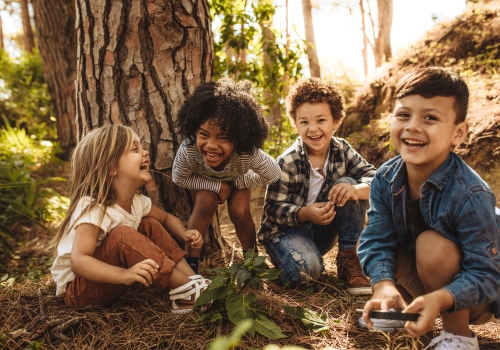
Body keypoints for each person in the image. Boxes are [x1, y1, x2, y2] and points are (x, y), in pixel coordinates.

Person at [358, 67, 500, 349]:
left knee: (432, 245)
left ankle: (458, 336)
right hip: (425, 281)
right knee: (386, 246)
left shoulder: (471, 193)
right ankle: (400, 310)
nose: (412, 126)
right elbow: (376, 239)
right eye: (403, 115)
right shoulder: (385, 178)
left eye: (430, 118)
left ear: (458, 133)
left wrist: (441, 298)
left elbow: (486, 273)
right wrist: (383, 285)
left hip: (474, 295)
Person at [50, 125, 210, 314]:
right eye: (135, 149)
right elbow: (79, 261)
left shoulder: (137, 202)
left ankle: (192, 281)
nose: (145, 153)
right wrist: (124, 275)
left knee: (149, 225)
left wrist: (183, 233)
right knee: (123, 235)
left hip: (108, 281)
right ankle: (188, 292)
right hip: (79, 292)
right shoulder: (94, 208)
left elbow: (166, 218)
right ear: (110, 167)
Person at [258, 77, 377, 294]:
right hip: (285, 235)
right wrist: (304, 213)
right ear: (295, 124)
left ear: (337, 121)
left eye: (321, 120)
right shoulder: (288, 162)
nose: (313, 129)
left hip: (322, 232)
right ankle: (293, 264)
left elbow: (376, 178)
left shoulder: (342, 150)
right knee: (308, 272)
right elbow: (272, 209)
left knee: (348, 184)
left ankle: (348, 259)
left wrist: (357, 190)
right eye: (304, 122)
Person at [173, 78, 280, 273]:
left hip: (237, 180)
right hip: (205, 183)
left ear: (238, 138)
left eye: (223, 138)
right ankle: (190, 267)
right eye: (204, 134)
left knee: (239, 212)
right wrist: (216, 186)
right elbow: (179, 178)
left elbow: (273, 173)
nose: (211, 145)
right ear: (194, 131)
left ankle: (252, 263)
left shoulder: (247, 153)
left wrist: (237, 183)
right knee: (205, 202)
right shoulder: (189, 149)